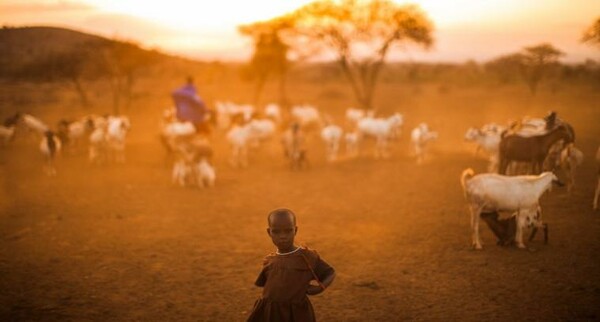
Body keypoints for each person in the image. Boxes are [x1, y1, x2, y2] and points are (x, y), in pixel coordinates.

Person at [247, 208, 335, 322]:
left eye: (288, 231)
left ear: (295, 230)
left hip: (297, 314)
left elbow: (330, 272)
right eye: (276, 232)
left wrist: (320, 288)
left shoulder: (306, 257)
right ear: (269, 232)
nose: (283, 236)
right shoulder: (270, 260)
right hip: (270, 313)